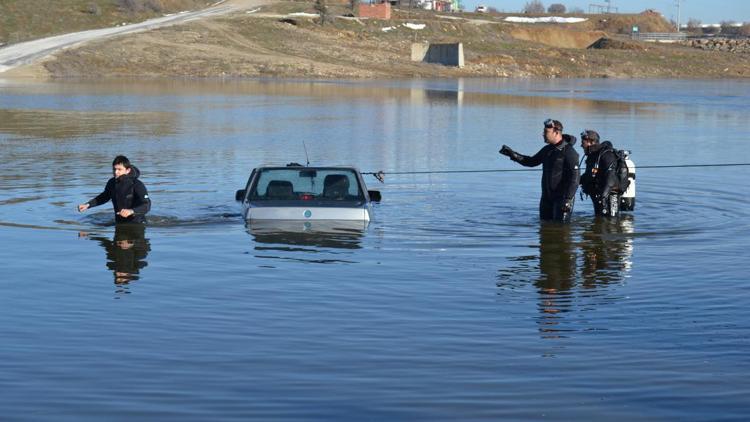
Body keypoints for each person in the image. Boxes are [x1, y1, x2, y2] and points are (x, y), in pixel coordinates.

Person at [499, 119, 580, 223]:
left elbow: (575, 178)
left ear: (556, 133)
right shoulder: (547, 150)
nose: (543, 134)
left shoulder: (569, 152)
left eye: (546, 132)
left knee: (561, 229)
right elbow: (531, 161)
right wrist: (512, 154)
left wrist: (568, 199)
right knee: (544, 228)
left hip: (562, 199)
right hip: (546, 197)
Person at [78, 155, 151, 223]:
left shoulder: (137, 184)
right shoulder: (112, 182)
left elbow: (146, 205)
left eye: (119, 169)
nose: (116, 172)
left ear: (127, 170)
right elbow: (104, 197)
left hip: (137, 224)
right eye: (114, 169)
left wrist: (131, 211)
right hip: (119, 222)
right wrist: (88, 205)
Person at [579, 129, 620, 217]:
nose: (581, 145)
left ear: (590, 141)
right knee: (599, 219)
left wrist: (604, 196)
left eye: (583, 142)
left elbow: (611, 177)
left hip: (610, 193)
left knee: (611, 221)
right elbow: (589, 175)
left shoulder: (606, 154)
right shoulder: (592, 156)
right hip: (598, 193)